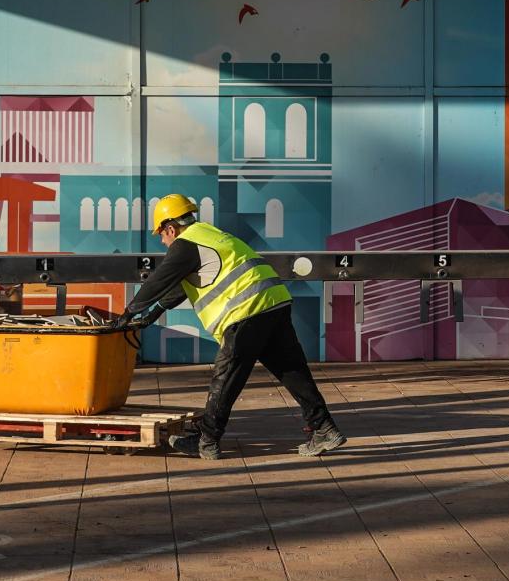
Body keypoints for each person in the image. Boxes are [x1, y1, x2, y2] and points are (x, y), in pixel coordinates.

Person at [123, 193, 345, 461]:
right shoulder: (210, 235)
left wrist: (128, 313)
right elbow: (185, 285)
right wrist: (154, 312)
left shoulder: (185, 244)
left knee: (226, 376)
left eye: (161, 234)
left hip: (245, 311)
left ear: (170, 228)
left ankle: (206, 440)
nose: (162, 241)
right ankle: (324, 427)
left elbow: (158, 281)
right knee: (292, 371)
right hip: (273, 303)